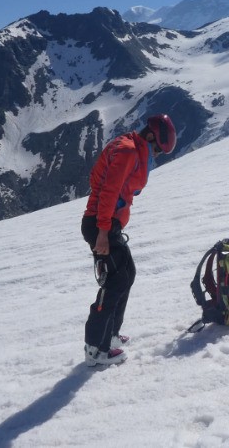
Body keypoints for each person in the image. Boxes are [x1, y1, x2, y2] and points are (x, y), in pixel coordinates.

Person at [81, 113, 177, 367]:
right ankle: (96, 349)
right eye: (157, 148)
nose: (156, 154)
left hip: (106, 223)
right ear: (150, 136)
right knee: (116, 281)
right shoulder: (128, 151)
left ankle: (111, 334)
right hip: (101, 224)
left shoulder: (131, 146)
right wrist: (103, 231)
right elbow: (109, 191)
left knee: (126, 274)